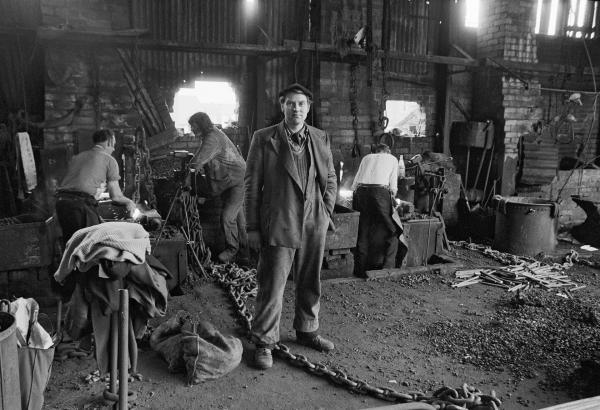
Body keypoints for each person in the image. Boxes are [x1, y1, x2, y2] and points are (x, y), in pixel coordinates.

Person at [244, 83, 337, 369]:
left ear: (309, 108)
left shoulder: (320, 137)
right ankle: (264, 342)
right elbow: (251, 186)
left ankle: (308, 330)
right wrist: (252, 226)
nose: (296, 109)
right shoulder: (264, 138)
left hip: (313, 221)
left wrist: (325, 212)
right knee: (272, 284)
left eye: (301, 104)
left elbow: (330, 178)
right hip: (279, 221)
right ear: (282, 107)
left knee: (310, 280)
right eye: (290, 104)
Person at [54, 128, 136, 299]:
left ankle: (69, 290)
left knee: (73, 246)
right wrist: (129, 202)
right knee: (91, 250)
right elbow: (116, 196)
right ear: (109, 142)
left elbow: (80, 183)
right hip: (79, 206)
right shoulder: (109, 160)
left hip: (62, 204)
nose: (114, 148)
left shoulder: (78, 157)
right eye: (113, 145)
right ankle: (87, 294)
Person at [188, 112, 247, 263]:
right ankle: (246, 253)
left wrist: (185, 176)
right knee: (239, 219)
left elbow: (197, 162)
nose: (192, 129)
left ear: (201, 124)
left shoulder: (213, 137)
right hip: (228, 181)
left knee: (227, 217)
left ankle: (232, 250)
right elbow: (202, 157)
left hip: (237, 180)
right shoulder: (211, 135)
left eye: (193, 126)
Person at [351, 143, 399, 278]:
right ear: (388, 151)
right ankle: (387, 268)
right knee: (393, 230)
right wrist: (393, 198)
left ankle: (360, 269)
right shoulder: (392, 159)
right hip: (379, 192)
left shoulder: (366, 157)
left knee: (363, 230)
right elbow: (393, 184)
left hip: (360, 192)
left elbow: (355, 182)